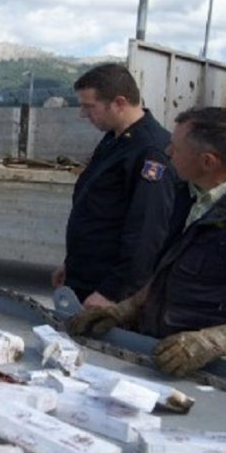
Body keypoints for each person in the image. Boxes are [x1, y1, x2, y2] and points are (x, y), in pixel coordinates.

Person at [67, 107, 226, 375]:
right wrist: (127, 308)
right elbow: (174, 267)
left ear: (208, 161)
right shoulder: (194, 194)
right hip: (171, 359)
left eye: (176, 148)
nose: (167, 152)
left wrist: (215, 342)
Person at [53, 63, 176, 310]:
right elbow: (97, 211)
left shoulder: (150, 151)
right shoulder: (114, 139)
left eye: (89, 106)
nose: (83, 114)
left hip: (108, 288)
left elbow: (146, 231)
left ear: (119, 103)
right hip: (86, 275)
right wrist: (72, 264)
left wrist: (111, 292)